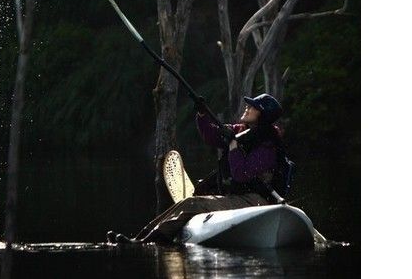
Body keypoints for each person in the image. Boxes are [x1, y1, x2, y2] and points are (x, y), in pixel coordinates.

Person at [107, 93, 293, 244]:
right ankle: (141, 236)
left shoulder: (268, 145)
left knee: (192, 203)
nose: (247, 107)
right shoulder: (240, 130)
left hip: (256, 202)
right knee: (186, 202)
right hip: (238, 198)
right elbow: (212, 136)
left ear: (262, 116)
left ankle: (147, 242)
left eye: (253, 107)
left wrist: (233, 146)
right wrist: (202, 115)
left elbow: (241, 174)